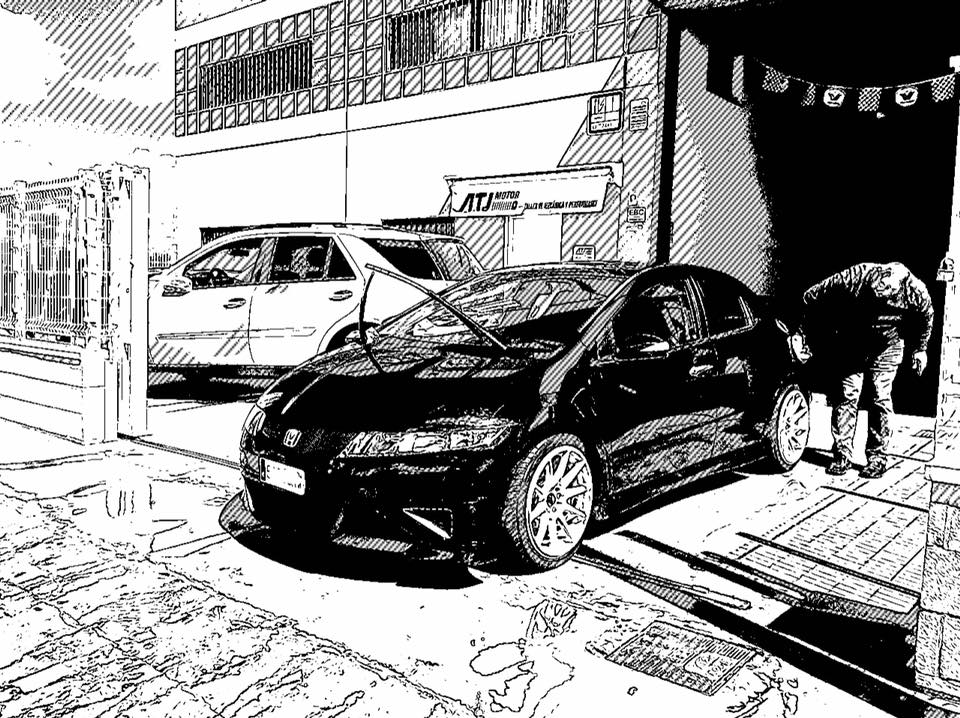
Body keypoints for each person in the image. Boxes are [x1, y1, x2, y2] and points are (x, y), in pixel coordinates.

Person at [802, 262, 934, 478]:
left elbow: (926, 316)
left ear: (900, 286)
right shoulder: (856, 276)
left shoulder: (916, 291)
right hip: (852, 342)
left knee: (879, 397)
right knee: (846, 395)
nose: (881, 292)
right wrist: (805, 332)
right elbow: (811, 296)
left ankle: (877, 458)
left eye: (888, 290)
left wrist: (921, 349)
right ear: (880, 273)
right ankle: (842, 454)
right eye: (879, 286)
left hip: (887, 346)